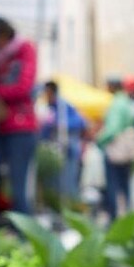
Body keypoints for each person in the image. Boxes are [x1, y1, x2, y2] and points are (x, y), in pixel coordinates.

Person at [0, 18, 39, 216]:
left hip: (21, 127)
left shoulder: (24, 49)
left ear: (3, 35)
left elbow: (23, 87)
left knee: (18, 186)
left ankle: (24, 237)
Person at [94, 75, 134, 220]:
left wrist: (99, 140)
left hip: (116, 150)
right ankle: (127, 216)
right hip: (127, 150)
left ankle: (115, 218)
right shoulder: (127, 102)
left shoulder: (116, 104)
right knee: (125, 184)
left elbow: (113, 129)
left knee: (113, 185)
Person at [39, 80, 88, 211]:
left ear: (51, 92)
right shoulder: (50, 108)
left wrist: (57, 124)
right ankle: (59, 210)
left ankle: (73, 212)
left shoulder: (64, 106)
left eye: (46, 93)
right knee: (55, 183)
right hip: (56, 151)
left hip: (68, 150)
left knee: (69, 182)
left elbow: (81, 122)